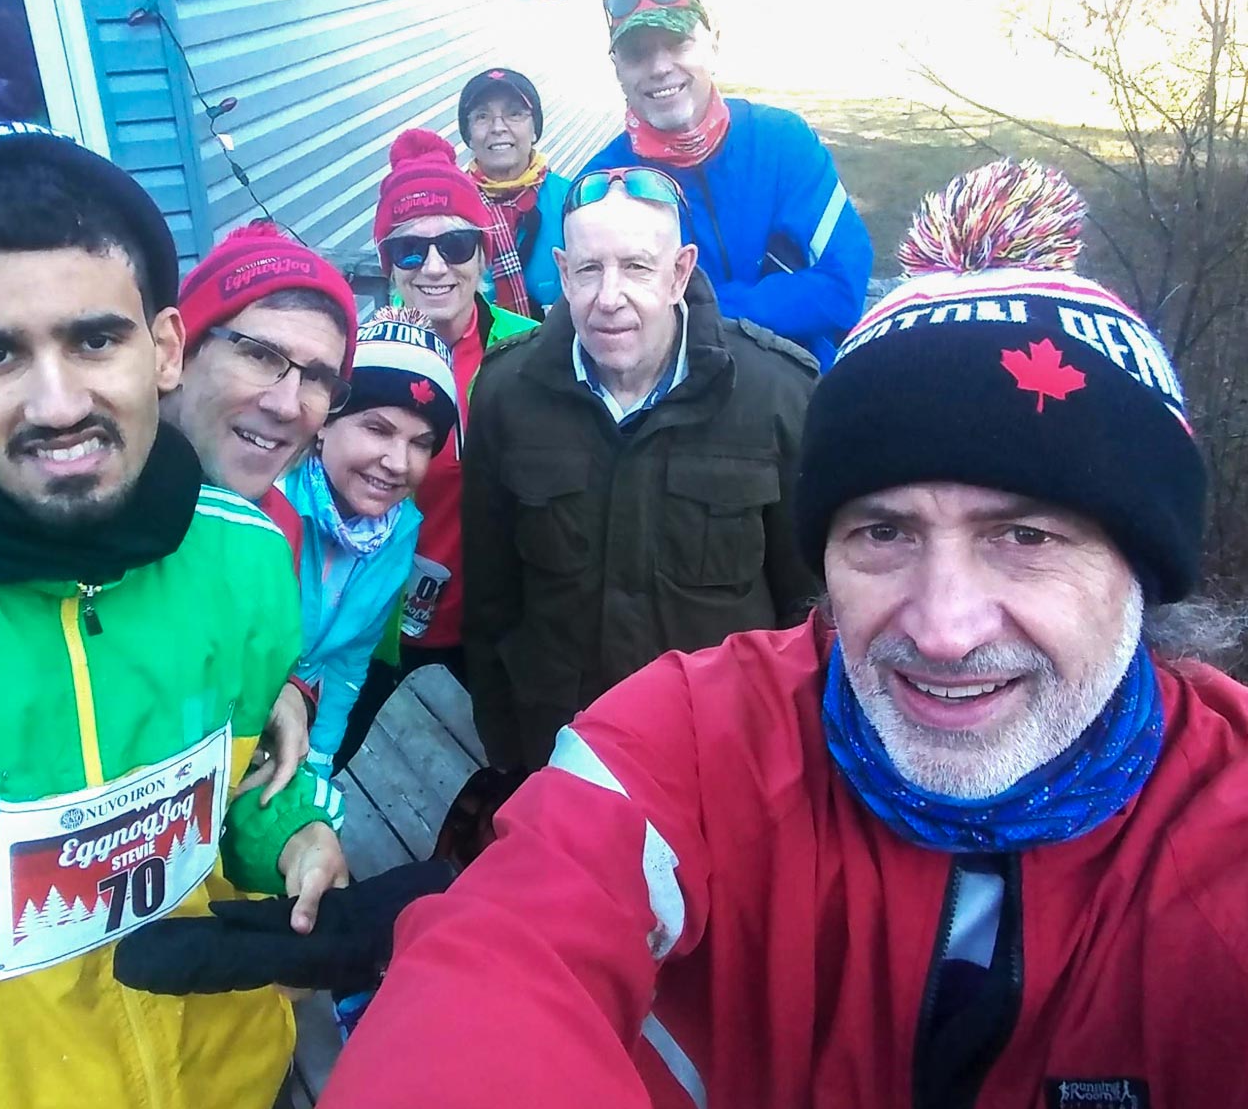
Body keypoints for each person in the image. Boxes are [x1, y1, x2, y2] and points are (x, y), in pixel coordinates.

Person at [317, 160, 1247, 1108]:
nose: (943, 628)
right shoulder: (698, 735)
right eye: (884, 533)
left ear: (1144, 562)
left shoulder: (1221, 843)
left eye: (1026, 537)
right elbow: (506, 959)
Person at [0, 121, 347, 1109]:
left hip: (229, 1080)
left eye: (93, 339)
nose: (56, 402)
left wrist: (294, 835)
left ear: (163, 348)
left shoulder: (248, 557)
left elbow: (243, 788)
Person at [461, 165, 817, 771]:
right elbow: (490, 602)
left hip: (720, 758)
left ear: (680, 273)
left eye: (636, 268)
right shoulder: (505, 393)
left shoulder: (778, 396)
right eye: (589, 270)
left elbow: (808, 610)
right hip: (559, 753)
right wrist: (510, 758)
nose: (609, 298)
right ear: (563, 273)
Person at [333, 129, 535, 766]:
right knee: (333, 766)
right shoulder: (354, 359)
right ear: (388, 262)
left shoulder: (532, 350)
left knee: (509, 772)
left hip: (500, 622)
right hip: (379, 624)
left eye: (455, 244)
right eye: (409, 249)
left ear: (482, 251)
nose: (435, 266)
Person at [581, 0, 875, 368]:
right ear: (618, 70)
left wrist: (699, 307)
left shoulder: (783, 141)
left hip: (805, 380)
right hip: (680, 395)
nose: (660, 67)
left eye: (678, 43)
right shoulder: (600, 187)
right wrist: (782, 295)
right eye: (637, 54)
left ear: (713, 46)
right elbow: (615, 326)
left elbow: (842, 288)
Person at [284, 307, 460, 775]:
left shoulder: (398, 531)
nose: (398, 462)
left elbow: (349, 658)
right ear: (325, 421)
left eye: (421, 443)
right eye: (378, 429)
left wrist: (319, 763)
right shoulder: (271, 504)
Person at [169, 218, 359, 552]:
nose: (286, 406)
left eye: (317, 377)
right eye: (259, 355)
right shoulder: (85, 516)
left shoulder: (279, 533)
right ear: (179, 354)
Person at [458, 66, 569, 317]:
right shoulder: (450, 208)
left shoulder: (572, 201)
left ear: (535, 129)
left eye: (514, 113)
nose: (498, 127)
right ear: (468, 135)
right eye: (482, 116)